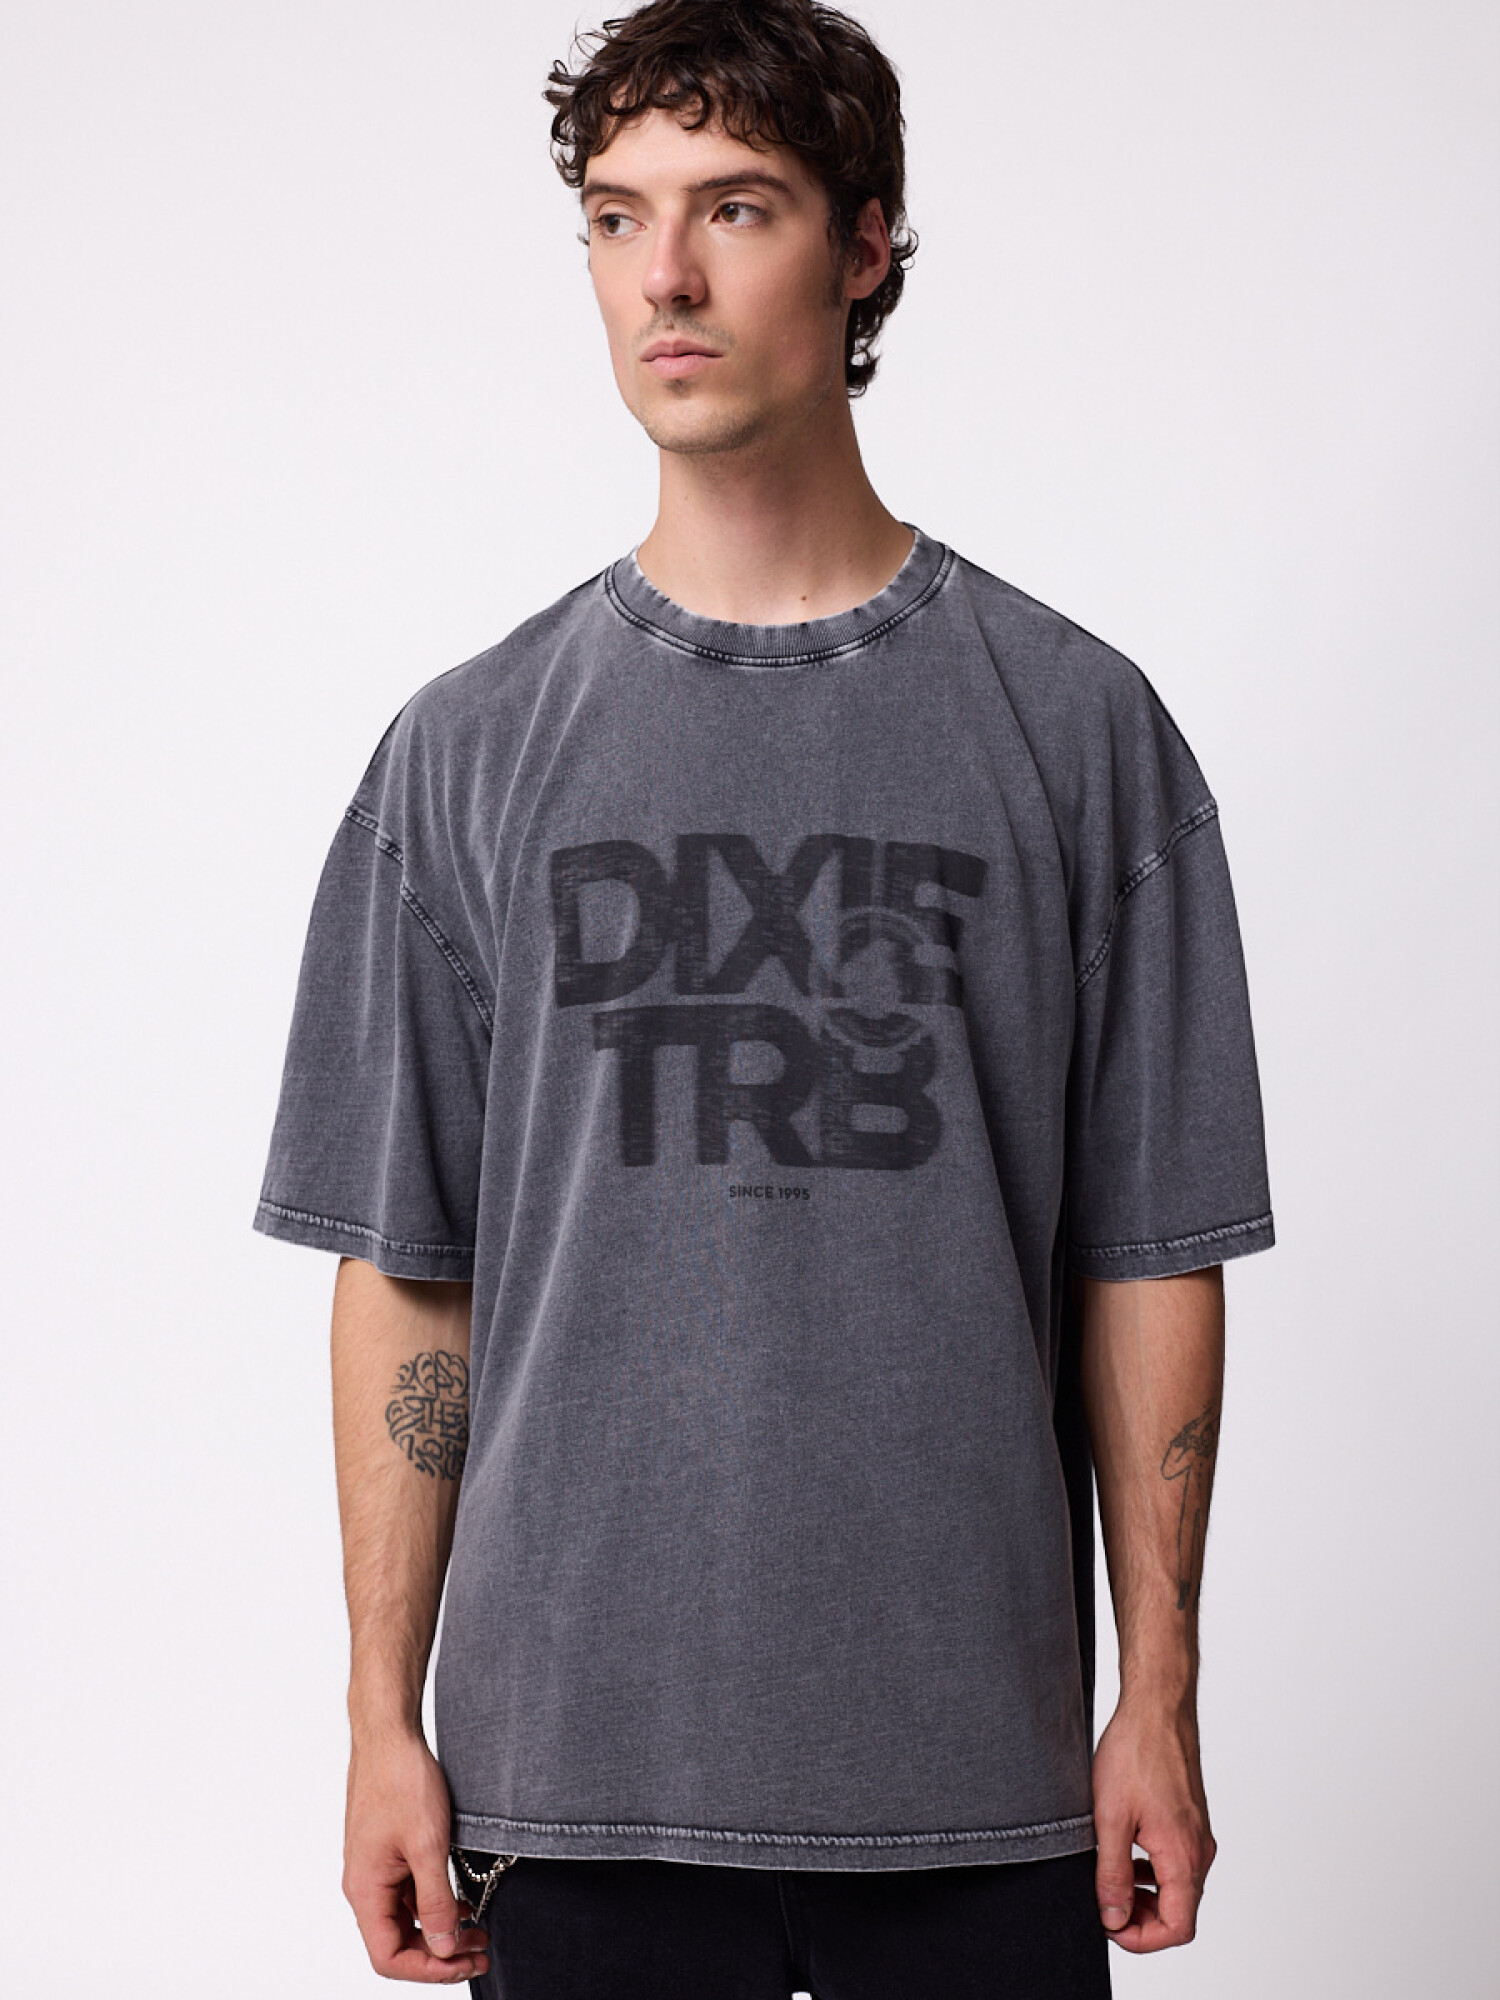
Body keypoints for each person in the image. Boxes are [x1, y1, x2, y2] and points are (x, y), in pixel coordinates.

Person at [252, 1, 1275, 1993]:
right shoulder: (468, 749)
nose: (668, 275)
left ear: (866, 244)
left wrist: (1158, 1687)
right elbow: (409, 1266)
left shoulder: (1079, 731)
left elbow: (1149, 1251)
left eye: (735, 207)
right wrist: (381, 1713)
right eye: (619, 217)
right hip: (569, 1788)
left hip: (984, 1792)